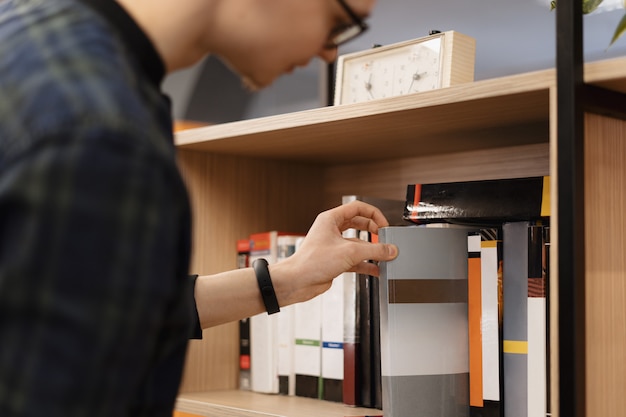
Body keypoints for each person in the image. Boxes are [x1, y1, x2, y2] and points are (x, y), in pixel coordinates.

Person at [0, 0, 398, 415]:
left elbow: (100, 306)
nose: (330, 52)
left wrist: (291, 278)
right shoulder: (102, 132)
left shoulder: (33, 33)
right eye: (338, 23)